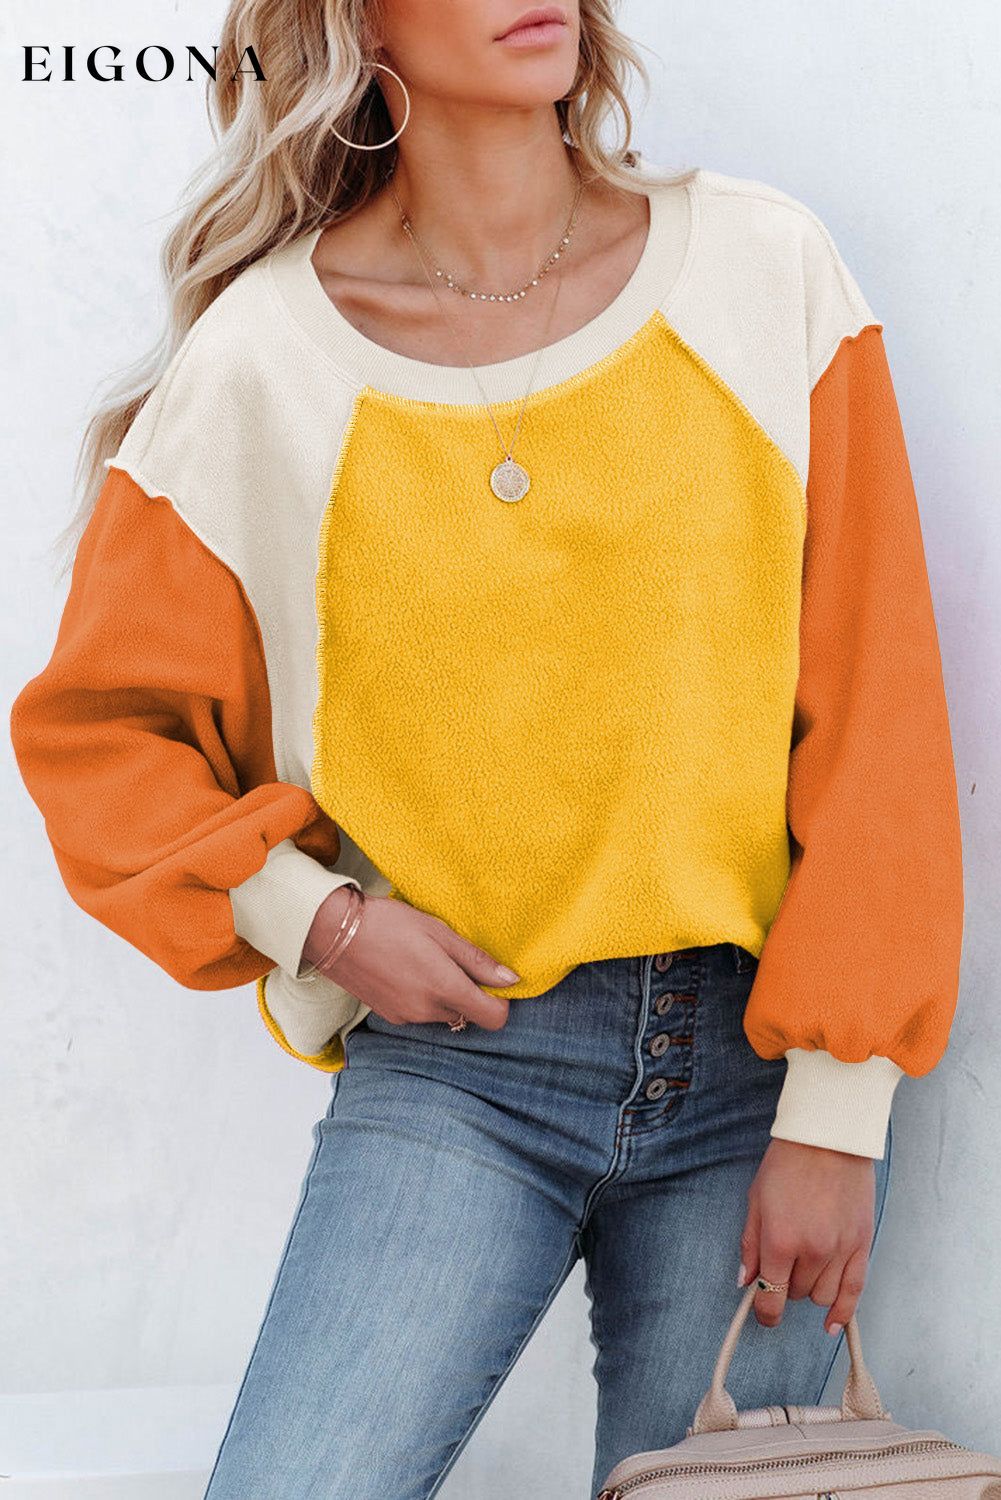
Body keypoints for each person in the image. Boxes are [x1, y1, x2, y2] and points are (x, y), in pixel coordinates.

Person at [9, 3, 963, 1497]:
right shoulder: (263, 361)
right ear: (357, 22)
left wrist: (839, 1115)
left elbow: (876, 713)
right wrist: (322, 920)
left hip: (757, 1065)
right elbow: (100, 735)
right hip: (460, 1071)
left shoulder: (761, 268)